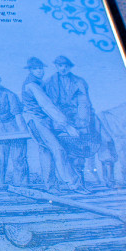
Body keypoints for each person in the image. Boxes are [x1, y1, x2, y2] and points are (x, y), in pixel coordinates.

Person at [20, 57, 84, 193]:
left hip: (40, 120)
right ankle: (75, 184)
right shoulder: (32, 84)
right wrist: (66, 125)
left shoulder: (39, 82)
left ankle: (51, 187)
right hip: (36, 120)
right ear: (31, 70)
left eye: (41, 68)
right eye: (36, 69)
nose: (40, 71)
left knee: (46, 151)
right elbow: (46, 105)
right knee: (58, 149)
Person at [44, 55, 101, 186]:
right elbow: (49, 105)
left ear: (69, 67)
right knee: (62, 150)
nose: (63, 68)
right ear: (56, 67)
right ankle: (68, 181)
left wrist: (82, 120)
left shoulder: (79, 82)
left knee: (82, 147)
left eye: (65, 66)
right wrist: (61, 121)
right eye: (60, 66)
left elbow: (84, 102)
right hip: (58, 119)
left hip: (78, 118)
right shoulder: (49, 82)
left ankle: (80, 180)